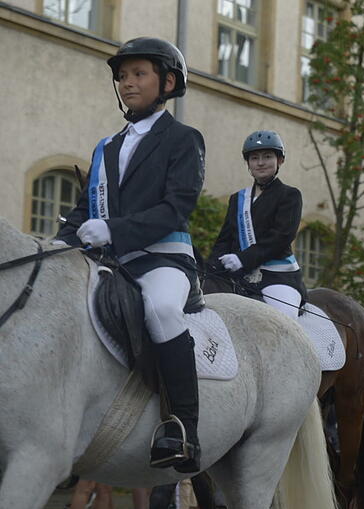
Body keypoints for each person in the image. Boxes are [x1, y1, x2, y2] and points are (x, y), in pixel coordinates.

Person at [56, 37, 205, 472]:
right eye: (122, 76)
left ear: (168, 81)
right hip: (111, 262)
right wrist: (57, 246)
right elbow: (83, 212)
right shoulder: (106, 147)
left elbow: (176, 208)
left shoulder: (183, 139)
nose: (127, 83)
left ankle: (183, 428)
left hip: (163, 259)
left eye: (138, 74)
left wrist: (114, 229)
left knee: (160, 309)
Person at [209, 131, 306, 318]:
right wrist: (212, 267)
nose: (260, 163)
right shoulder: (237, 199)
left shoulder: (290, 195)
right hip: (239, 275)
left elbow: (281, 237)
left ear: (280, 160)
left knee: (283, 319)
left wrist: (242, 259)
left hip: (276, 276)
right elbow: (225, 239)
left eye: (267, 157)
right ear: (248, 164)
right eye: (254, 158)